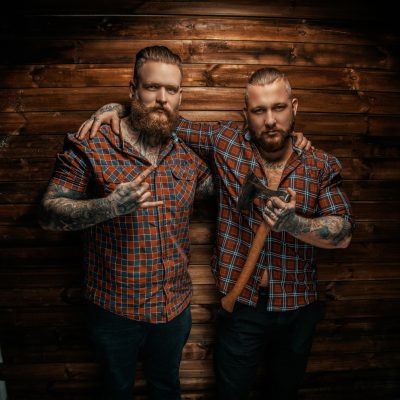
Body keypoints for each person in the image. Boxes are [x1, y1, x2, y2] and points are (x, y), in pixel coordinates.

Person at [78, 64, 353, 399]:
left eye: (278, 108)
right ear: (245, 114)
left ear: (293, 107)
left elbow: (343, 232)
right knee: (230, 393)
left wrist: (292, 224)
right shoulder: (225, 142)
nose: (269, 120)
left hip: (298, 307)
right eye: (259, 110)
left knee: (285, 391)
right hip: (241, 304)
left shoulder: (320, 164)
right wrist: (115, 108)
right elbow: (161, 114)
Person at [38, 46, 214, 400]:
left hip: (173, 307)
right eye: (152, 88)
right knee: (116, 391)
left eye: (171, 90)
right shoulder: (93, 145)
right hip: (116, 310)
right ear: (133, 90)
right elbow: (48, 214)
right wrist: (110, 206)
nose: (162, 98)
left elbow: (223, 183)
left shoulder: (189, 154)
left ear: (180, 95)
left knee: (167, 389)